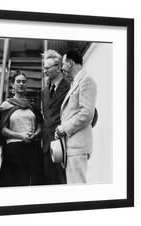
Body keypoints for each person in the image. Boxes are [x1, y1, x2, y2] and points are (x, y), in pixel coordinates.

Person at [55, 49, 97, 184]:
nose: (62, 68)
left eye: (63, 64)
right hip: (72, 146)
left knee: (77, 188)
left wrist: (64, 128)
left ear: (70, 63)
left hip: (78, 146)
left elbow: (87, 113)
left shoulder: (86, 81)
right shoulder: (75, 82)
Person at [0, 71, 43, 186]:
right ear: (13, 84)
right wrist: (20, 135)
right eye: (18, 81)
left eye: (24, 81)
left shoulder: (32, 105)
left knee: (32, 181)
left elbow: (39, 126)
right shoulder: (6, 105)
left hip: (32, 147)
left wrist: (35, 134)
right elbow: (2, 130)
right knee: (15, 182)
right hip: (14, 149)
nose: (21, 84)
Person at [41, 50, 70, 185]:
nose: (44, 70)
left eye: (47, 67)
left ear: (58, 68)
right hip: (48, 146)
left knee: (66, 183)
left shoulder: (71, 87)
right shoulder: (45, 91)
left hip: (65, 143)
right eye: (44, 67)